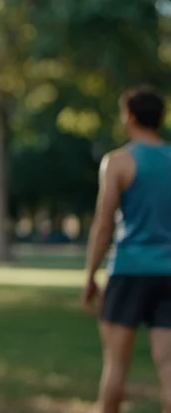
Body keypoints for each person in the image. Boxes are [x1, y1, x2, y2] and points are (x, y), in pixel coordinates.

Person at [83, 85, 171, 413]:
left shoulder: (118, 162)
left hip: (129, 271)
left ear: (131, 117)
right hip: (169, 274)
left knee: (116, 366)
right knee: (168, 366)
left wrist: (90, 275)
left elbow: (103, 225)